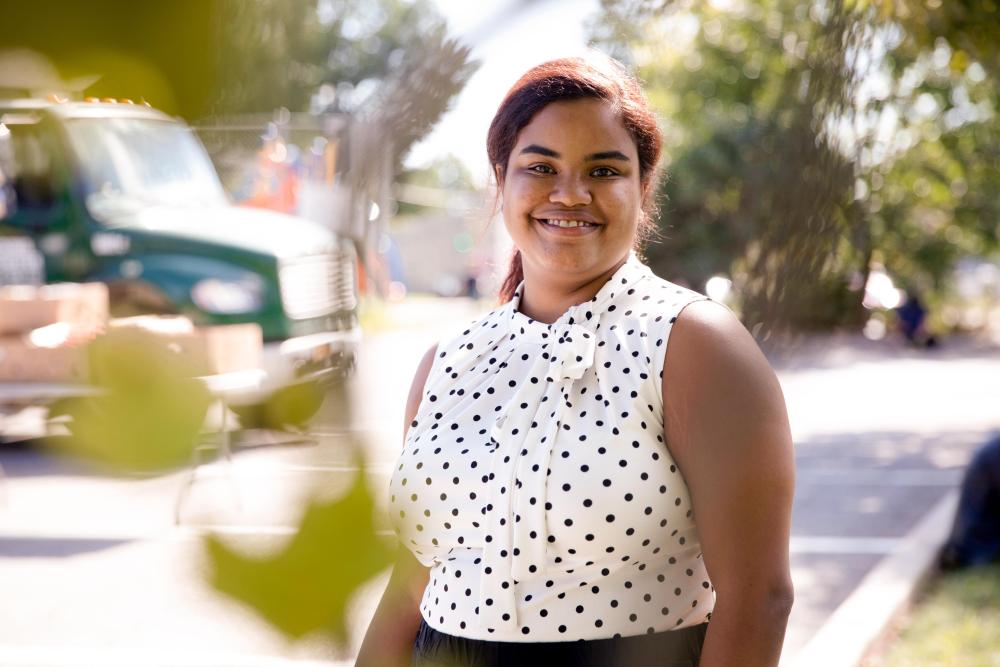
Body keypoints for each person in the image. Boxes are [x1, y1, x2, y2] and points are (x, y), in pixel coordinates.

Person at [356, 55, 795, 667]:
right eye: (540, 167)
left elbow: (758, 598)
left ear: (642, 190)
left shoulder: (696, 344)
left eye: (603, 169)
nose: (570, 193)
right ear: (501, 184)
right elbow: (412, 579)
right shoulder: (446, 361)